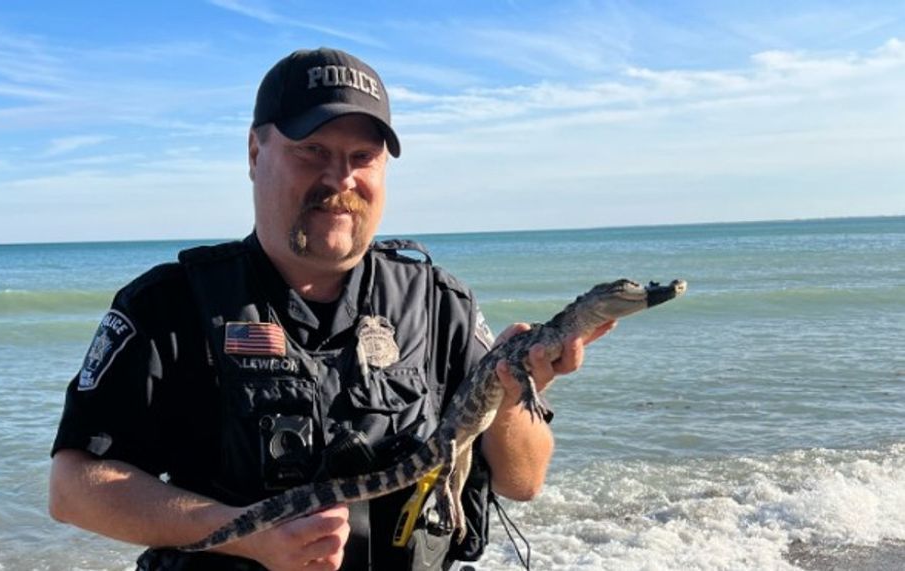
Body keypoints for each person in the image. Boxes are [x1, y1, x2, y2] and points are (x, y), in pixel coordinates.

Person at [48, 47, 615, 571]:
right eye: (311, 150)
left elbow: (523, 480)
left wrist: (512, 398)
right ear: (254, 152)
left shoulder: (443, 305)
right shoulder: (171, 304)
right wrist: (247, 533)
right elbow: (74, 488)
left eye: (361, 156)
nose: (339, 178)